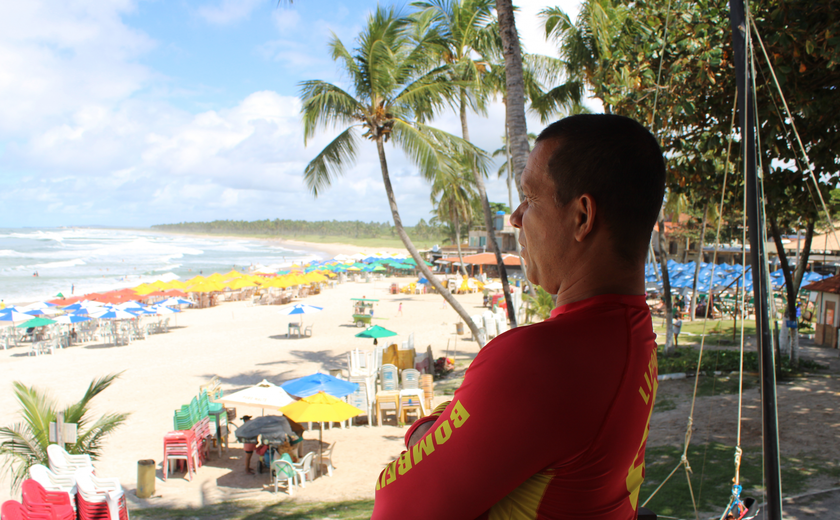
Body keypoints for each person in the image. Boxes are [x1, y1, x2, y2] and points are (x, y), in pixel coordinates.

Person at [371, 114, 666, 520]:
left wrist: (423, 432)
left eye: (530, 197)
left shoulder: (541, 361)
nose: (514, 217)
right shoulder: (634, 333)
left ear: (582, 217)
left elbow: (392, 505)